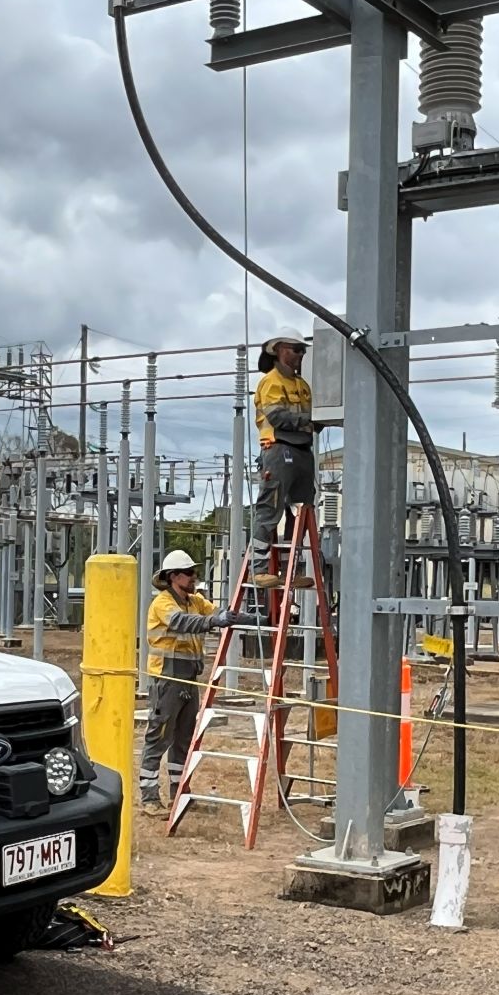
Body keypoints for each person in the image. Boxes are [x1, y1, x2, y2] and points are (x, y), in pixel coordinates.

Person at [139, 549, 246, 814]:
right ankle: (150, 798)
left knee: (184, 738)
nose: (193, 577)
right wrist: (215, 621)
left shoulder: (194, 600)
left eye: (194, 572)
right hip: (167, 678)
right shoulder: (164, 603)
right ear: (173, 576)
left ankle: (180, 794)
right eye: (188, 573)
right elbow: (183, 622)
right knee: (159, 736)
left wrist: (257, 620)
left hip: (188, 678)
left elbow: (221, 613)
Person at [251, 328, 318, 588]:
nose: (300, 354)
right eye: (295, 349)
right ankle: (258, 569)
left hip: (302, 450)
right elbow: (278, 418)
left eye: (302, 350)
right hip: (278, 448)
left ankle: (292, 569)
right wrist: (309, 421)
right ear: (279, 350)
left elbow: (313, 421)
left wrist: (309, 423)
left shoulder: (302, 386)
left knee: (300, 511)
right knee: (271, 507)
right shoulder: (271, 381)